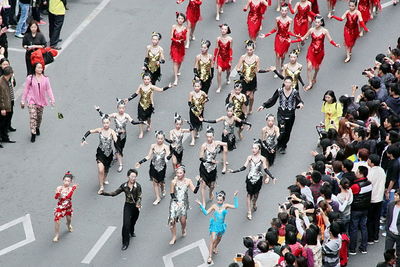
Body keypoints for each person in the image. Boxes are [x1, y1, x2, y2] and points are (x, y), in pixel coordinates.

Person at [229, 140, 276, 220]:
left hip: (258, 179)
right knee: (249, 195)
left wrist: (272, 177)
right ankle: (249, 212)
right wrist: (234, 171)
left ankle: (254, 203)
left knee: (256, 194)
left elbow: (265, 169)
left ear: (259, 149)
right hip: (250, 179)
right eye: (252, 148)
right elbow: (244, 167)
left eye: (255, 148)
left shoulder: (262, 158)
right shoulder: (249, 157)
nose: (253, 150)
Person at [94, 100, 145, 173]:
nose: (121, 110)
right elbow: (105, 116)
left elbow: (133, 122)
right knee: (118, 150)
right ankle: (120, 164)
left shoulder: (126, 116)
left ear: (125, 108)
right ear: (117, 108)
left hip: (123, 136)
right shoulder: (115, 115)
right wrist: (99, 110)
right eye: (120, 108)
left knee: (121, 148)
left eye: (123, 108)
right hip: (116, 135)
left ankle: (116, 156)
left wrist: (142, 122)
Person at [257, 76, 304, 154]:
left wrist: (301, 104)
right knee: (281, 131)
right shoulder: (280, 91)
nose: (287, 84)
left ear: (292, 83)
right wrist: (264, 105)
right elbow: (272, 99)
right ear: (284, 83)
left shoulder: (295, 92)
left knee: (288, 132)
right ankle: (279, 143)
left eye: (289, 82)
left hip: (291, 114)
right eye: (286, 82)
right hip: (281, 114)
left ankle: (283, 145)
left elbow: (299, 100)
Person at [292, 16, 340, 91]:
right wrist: (291, 41)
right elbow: (302, 38)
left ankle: (314, 76)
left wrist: (335, 44)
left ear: (321, 23)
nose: (316, 23)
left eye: (318, 22)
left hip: (320, 51)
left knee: (316, 67)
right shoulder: (311, 30)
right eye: (315, 22)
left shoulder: (325, 31)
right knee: (309, 67)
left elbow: (330, 40)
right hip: (311, 50)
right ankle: (310, 83)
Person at [100, 169, 142, 250]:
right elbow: (114, 193)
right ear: (128, 176)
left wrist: (138, 203)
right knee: (126, 224)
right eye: (132, 176)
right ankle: (125, 242)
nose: (133, 178)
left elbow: (140, 196)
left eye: (135, 177)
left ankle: (131, 231)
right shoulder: (124, 186)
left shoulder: (138, 186)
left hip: (136, 207)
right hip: (128, 206)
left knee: (133, 221)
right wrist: (103, 193)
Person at [196, 190, 238, 264]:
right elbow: (206, 213)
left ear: (223, 200)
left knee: (219, 239)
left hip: (221, 226)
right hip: (215, 226)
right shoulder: (214, 206)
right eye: (218, 200)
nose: (219, 201)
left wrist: (235, 197)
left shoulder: (226, 206)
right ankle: (210, 256)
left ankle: (215, 247)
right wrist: (200, 205)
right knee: (212, 239)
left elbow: (236, 206)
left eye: (220, 200)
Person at [125, 72, 172, 139]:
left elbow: (161, 90)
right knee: (140, 119)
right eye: (145, 79)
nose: (146, 81)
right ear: (143, 79)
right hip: (141, 104)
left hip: (149, 105)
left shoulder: (152, 87)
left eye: (148, 79)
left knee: (148, 118)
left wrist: (168, 87)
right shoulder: (141, 86)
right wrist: (128, 99)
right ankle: (141, 132)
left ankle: (149, 125)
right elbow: (136, 93)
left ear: (150, 80)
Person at [81, 115, 119, 194]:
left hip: (109, 154)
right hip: (100, 153)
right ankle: (101, 186)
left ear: (110, 123)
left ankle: (104, 179)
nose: (106, 124)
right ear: (102, 123)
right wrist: (83, 138)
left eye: (107, 123)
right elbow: (90, 131)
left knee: (106, 170)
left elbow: (116, 139)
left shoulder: (112, 132)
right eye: (104, 123)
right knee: (101, 170)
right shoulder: (100, 130)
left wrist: (117, 142)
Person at [20, 63, 55, 143]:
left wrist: (52, 99)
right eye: (38, 67)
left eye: (41, 68)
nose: (40, 69)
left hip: (41, 101)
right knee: (33, 117)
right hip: (31, 100)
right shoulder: (30, 78)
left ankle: (37, 127)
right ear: (35, 69)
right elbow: (26, 90)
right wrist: (23, 100)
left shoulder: (46, 79)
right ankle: (33, 133)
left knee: (39, 117)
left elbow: (49, 89)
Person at [135, 131, 172, 205]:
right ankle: (158, 198)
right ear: (156, 138)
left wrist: (171, 153)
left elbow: (167, 158)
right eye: (158, 138)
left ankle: (163, 187)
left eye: (161, 138)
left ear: (164, 139)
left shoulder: (166, 147)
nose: (160, 140)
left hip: (162, 167)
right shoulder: (153, 146)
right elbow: (148, 156)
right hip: (153, 167)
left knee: (160, 182)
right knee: (155, 183)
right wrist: (140, 162)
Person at [259, 4, 296, 74]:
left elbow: (289, 31)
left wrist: (296, 36)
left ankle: (282, 64)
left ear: (287, 11)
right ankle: (277, 70)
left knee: (283, 55)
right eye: (282, 10)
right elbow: (275, 29)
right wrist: (266, 35)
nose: (284, 12)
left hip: (286, 39)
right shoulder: (277, 19)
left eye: (285, 11)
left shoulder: (290, 20)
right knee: (278, 55)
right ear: (280, 11)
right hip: (278, 38)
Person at [168, 165, 200, 244]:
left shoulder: (188, 181)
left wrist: (198, 183)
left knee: (183, 221)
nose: (178, 174)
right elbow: (172, 193)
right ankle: (174, 237)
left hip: (183, 203)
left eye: (180, 173)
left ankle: (183, 229)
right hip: (174, 203)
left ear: (184, 173)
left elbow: (194, 191)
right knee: (172, 221)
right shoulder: (173, 182)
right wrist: (176, 201)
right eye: (177, 173)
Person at [198, 126, 228, 207]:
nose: (208, 138)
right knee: (203, 185)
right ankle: (203, 202)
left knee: (212, 186)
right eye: (207, 137)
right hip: (204, 168)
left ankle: (210, 192)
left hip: (213, 169)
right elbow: (201, 157)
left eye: (210, 137)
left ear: (213, 137)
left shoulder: (217, 143)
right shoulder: (204, 146)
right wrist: (209, 161)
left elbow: (226, 143)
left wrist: (226, 136)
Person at [349, 166, 372, 255]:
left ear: (361, 173)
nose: (356, 173)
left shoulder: (355, 186)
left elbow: (350, 194)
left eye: (357, 172)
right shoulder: (369, 183)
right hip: (365, 209)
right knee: (363, 227)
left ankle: (352, 249)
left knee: (354, 229)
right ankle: (364, 247)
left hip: (356, 209)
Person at [235, 40, 260, 114]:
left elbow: (258, 69)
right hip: (243, 79)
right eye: (248, 50)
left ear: (253, 49)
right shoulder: (243, 57)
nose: (249, 51)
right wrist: (242, 76)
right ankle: (244, 112)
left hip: (252, 79)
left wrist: (267, 70)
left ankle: (251, 107)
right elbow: (237, 68)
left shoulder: (256, 58)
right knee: (244, 96)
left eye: (251, 50)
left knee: (251, 97)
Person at [53, 171, 78, 242]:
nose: (66, 182)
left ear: (70, 182)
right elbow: (55, 197)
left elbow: (68, 197)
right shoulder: (59, 188)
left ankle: (68, 224)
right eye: (65, 180)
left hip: (68, 206)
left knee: (69, 219)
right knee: (57, 220)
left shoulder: (70, 189)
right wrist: (58, 194)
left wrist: (73, 189)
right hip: (60, 207)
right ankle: (56, 235)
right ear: (63, 180)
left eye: (68, 181)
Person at [367, 154, 386, 244]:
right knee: (376, 218)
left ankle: (370, 238)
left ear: (372, 162)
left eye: (369, 160)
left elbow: (368, 184)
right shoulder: (382, 171)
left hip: (372, 199)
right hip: (379, 198)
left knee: (370, 219)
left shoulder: (371, 172)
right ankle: (376, 236)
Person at [188, 80, 208, 146]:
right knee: (192, 124)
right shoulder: (191, 93)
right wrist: (195, 109)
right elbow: (189, 103)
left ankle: (196, 132)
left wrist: (203, 103)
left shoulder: (203, 93)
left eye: (198, 86)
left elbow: (207, 98)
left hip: (200, 111)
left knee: (199, 123)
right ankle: (193, 139)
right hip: (193, 111)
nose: (196, 87)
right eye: (195, 86)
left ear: (200, 86)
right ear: (193, 86)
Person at [214, 23, 233, 93]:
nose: (223, 30)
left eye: (225, 29)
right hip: (220, 57)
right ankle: (219, 86)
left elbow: (230, 49)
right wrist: (214, 59)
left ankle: (227, 77)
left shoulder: (230, 39)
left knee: (228, 71)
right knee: (219, 71)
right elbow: (216, 49)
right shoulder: (218, 39)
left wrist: (230, 59)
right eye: (222, 29)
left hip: (227, 57)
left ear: (227, 30)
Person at [170, 12, 187, 86]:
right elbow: (171, 37)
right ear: (177, 19)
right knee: (175, 61)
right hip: (174, 46)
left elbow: (185, 38)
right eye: (179, 18)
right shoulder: (174, 26)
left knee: (180, 61)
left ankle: (177, 70)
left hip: (181, 46)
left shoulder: (184, 28)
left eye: (182, 19)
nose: (180, 20)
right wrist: (176, 40)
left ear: (184, 20)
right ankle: (176, 78)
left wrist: (182, 38)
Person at [384, 189, 400, 266]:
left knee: (399, 254)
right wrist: (387, 229)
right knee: (387, 253)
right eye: (395, 194)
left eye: (397, 195)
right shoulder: (391, 205)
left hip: (399, 234)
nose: (394, 196)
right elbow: (388, 218)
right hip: (390, 232)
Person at [0, 59, 16, 133]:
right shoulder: (2, 77)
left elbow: (14, 84)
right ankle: (4, 132)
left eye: (7, 64)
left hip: (10, 98)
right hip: (4, 101)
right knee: (4, 118)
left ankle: (8, 127)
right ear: (0, 65)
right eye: (4, 64)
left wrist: (12, 79)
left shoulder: (10, 74)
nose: (6, 65)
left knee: (10, 114)